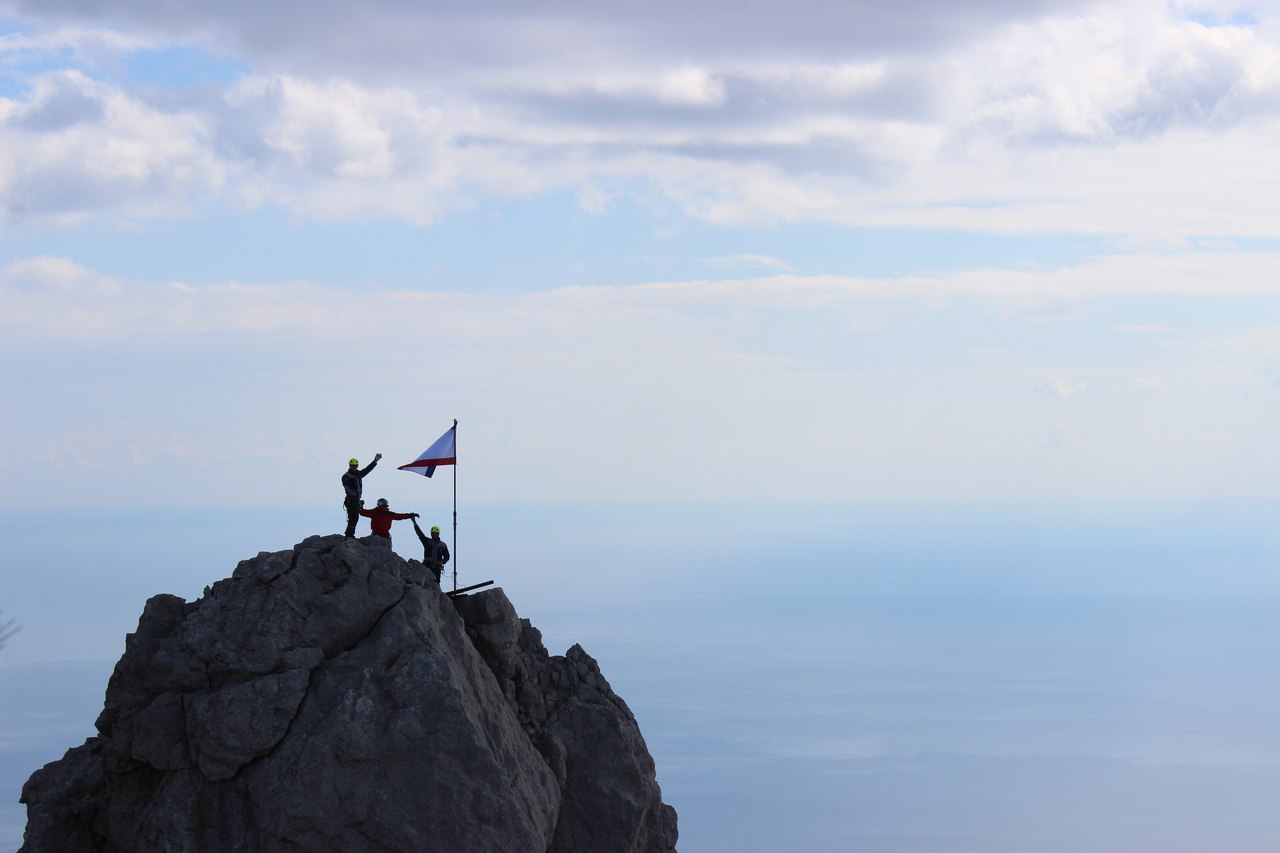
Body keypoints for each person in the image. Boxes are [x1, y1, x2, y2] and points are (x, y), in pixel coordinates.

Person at [343, 453, 381, 537]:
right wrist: (356, 496)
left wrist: (375, 461)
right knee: (353, 518)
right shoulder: (346, 476)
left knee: (355, 518)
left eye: (355, 465)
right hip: (351, 500)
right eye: (353, 466)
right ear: (350, 466)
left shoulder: (358, 474)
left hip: (355, 500)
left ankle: (350, 535)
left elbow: (367, 470)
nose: (354, 467)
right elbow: (348, 489)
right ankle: (349, 535)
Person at [412, 518, 450, 583]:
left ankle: (436, 592)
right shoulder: (427, 541)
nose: (433, 535)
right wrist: (414, 523)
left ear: (438, 534)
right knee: (426, 580)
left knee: (436, 581)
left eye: (435, 533)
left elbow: (447, 556)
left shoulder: (442, 545)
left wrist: (442, 561)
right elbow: (420, 534)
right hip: (427, 565)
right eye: (432, 533)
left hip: (436, 567)